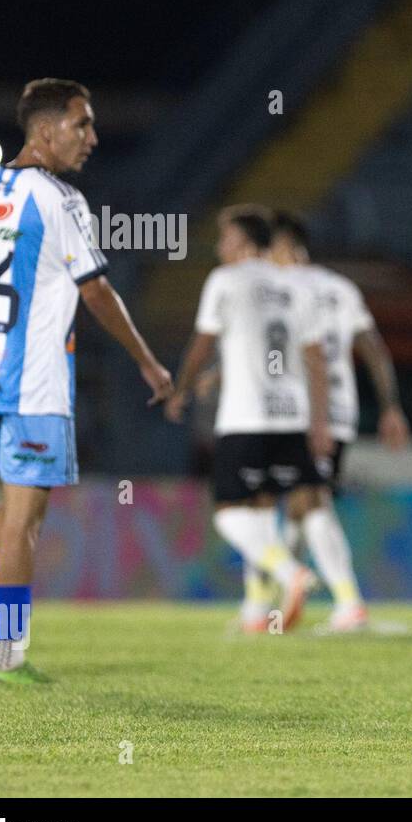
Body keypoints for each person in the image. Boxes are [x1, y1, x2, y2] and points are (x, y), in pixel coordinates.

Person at [0, 78, 173, 681]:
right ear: (44, 130)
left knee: (11, 509)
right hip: (32, 383)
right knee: (24, 519)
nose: (91, 137)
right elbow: (97, 291)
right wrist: (147, 360)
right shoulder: (60, 201)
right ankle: (7, 654)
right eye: (81, 124)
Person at [165, 205, 331, 633]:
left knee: (228, 511)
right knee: (262, 510)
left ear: (241, 243)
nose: (220, 247)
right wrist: (320, 422)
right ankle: (258, 610)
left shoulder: (225, 280)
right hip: (290, 416)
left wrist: (180, 388)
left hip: (245, 415)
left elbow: (204, 343)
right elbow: (315, 358)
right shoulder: (295, 285)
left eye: (225, 239)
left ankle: (288, 573)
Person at [266, 210, 411, 631]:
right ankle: (279, 604)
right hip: (338, 411)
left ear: (288, 248)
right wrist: (390, 406)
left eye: (267, 248)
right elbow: (373, 348)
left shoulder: (277, 288)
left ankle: (348, 604)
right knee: (298, 503)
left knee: (309, 497)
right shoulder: (340, 288)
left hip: (302, 411)